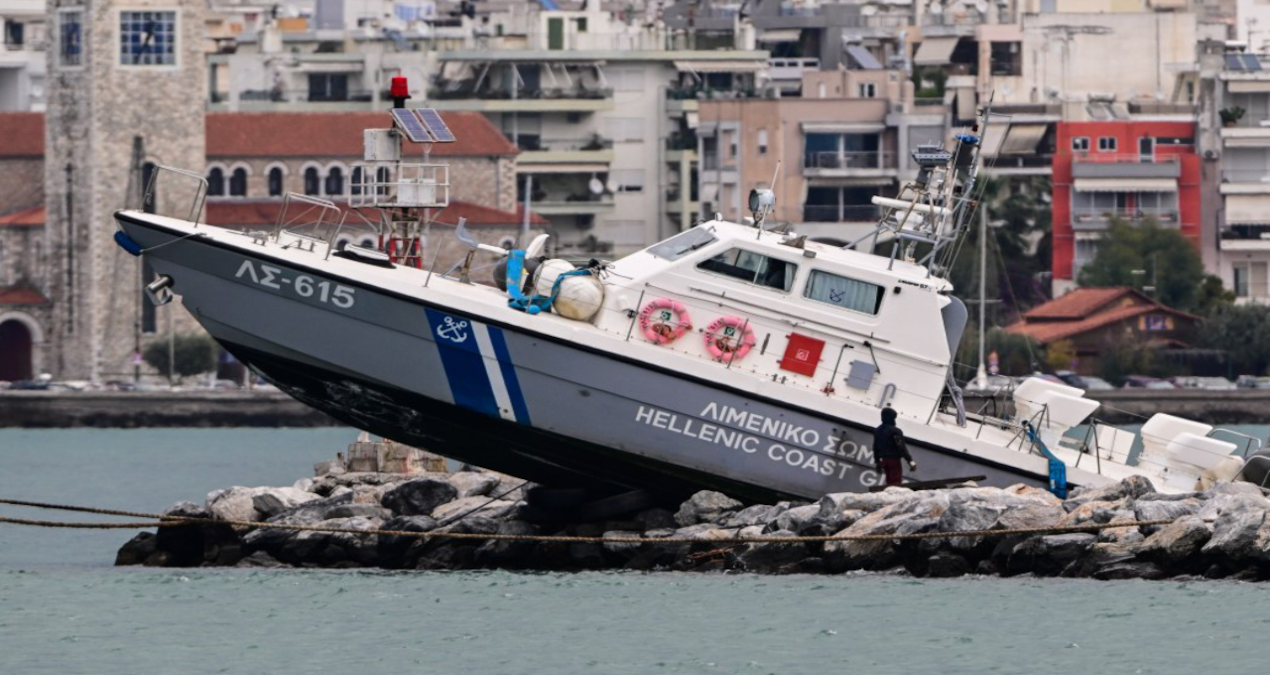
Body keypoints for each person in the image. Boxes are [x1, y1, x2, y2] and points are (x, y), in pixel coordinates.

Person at [873, 407, 916, 487]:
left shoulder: (877, 430)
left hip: (883, 460)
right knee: (895, 483)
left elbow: (875, 447)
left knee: (888, 481)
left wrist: (877, 462)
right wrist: (910, 461)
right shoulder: (895, 431)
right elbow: (901, 447)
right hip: (894, 460)